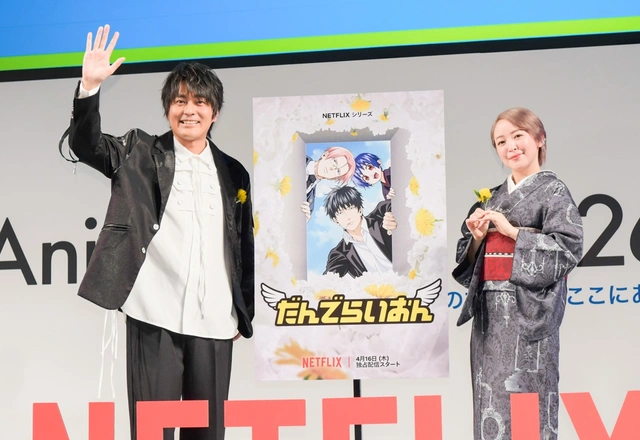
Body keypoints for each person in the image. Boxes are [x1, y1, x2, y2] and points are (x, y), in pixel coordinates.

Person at [66, 25, 254, 440]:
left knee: (208, 434)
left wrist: (243, 313)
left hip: (215, 320)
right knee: (153, 433)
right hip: (154, 315)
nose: (189, 110)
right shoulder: (138, 152)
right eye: (180, 101)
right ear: (168, 108)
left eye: (200, 102)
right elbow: (86, 145)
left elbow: (242, 246)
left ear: (215, 113)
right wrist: (89, 88)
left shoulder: (234, 172)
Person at [451, 108, 583, 439]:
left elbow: (568, 249)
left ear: (539, 139)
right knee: (490, 403)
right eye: (501, 141)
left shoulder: (554, 192)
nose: (510, 146)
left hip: (529, 315)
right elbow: (466, 267)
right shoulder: (491, 198)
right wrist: (477, 239)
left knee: (530, 404)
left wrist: (513, 233)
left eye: (518, 136)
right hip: (490, 319)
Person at [323, 186, 396, 278]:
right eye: (340, 213)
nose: (347, 217)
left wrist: (393, 217)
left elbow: (394, 206)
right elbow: (329, 278)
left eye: (350, 208)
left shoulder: (379, 215)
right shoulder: (340, 252)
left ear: (360, 209)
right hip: (384, 286)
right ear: (335, 220)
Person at [300, 146, 355, 221]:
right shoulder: (297, 158)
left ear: (334, 178)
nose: (332, 169)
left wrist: (303, 220)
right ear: (325, 155)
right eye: (334, 161)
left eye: (338, 171)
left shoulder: (310, 201)